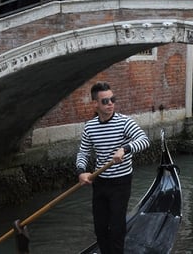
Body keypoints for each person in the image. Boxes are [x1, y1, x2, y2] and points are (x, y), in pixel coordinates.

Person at [76, 81, 150, 254]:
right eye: (105, 101)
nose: (110, 104)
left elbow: (144, 140)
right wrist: (81, 172)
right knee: (100, 227)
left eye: (112, 99)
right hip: (100, 181)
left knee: (116, 227)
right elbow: (83, 153)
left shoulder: (125, 122)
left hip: (121, 183)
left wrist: (125, 149)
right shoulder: (90, 127)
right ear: (95, 104)